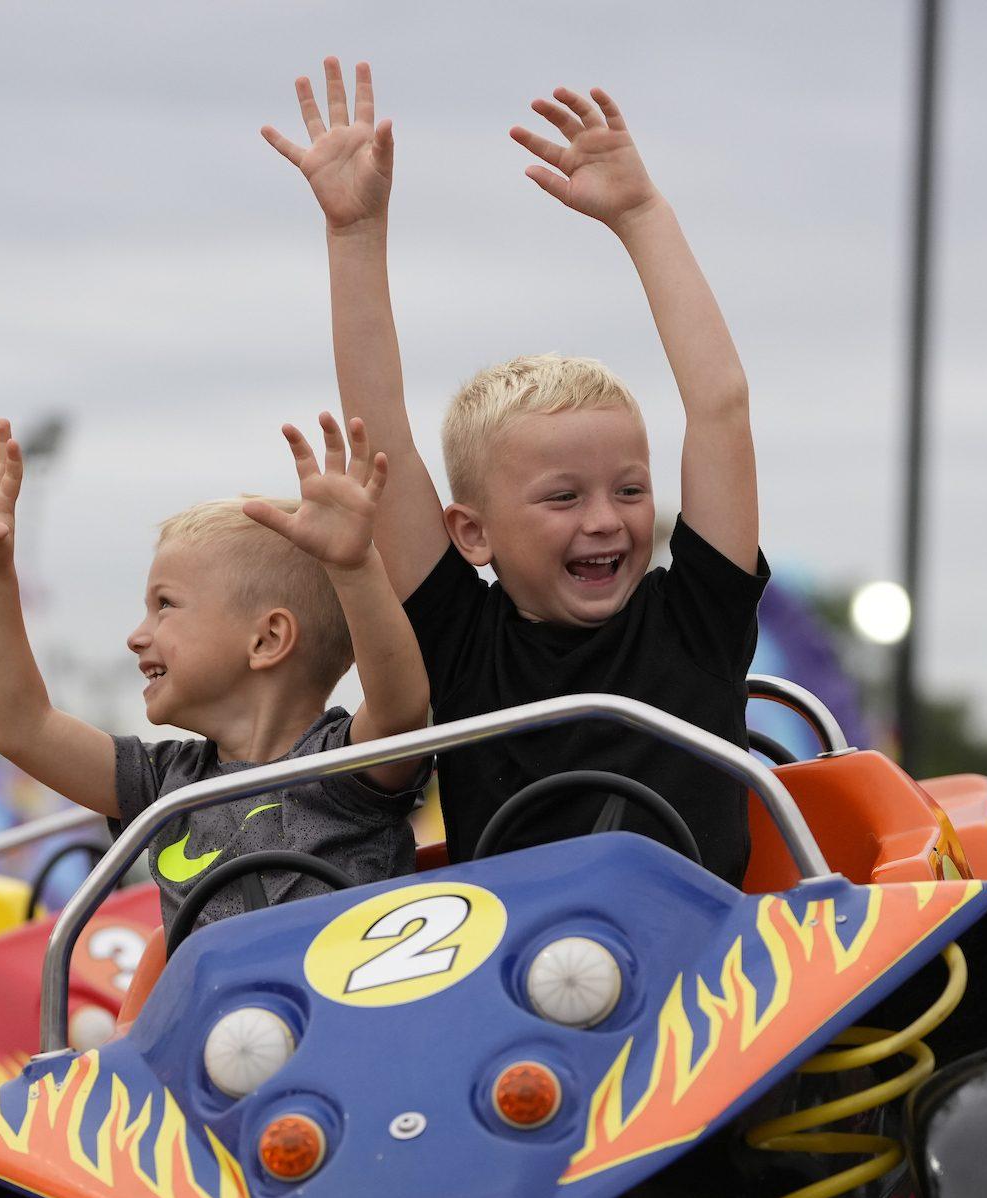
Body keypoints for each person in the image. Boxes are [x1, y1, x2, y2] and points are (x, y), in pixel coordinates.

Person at [267, 60, 768, 881]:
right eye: (563, 497)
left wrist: (641, 215)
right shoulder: (462, 642)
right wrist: (354, 236)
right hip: (510, 979)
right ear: (469, 532)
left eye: (630, 490)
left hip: (700, 981)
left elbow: (719, 406)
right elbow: (378, 429)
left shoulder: (696, 622)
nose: (605, 519)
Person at [0, 413, 426, 940]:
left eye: (165, 606)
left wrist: (355, 569)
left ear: (266, 640)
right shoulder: (166, 786)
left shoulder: (342, 769)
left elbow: (401, 709)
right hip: (210, 1018)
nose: (136, 636)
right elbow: (21, 726)